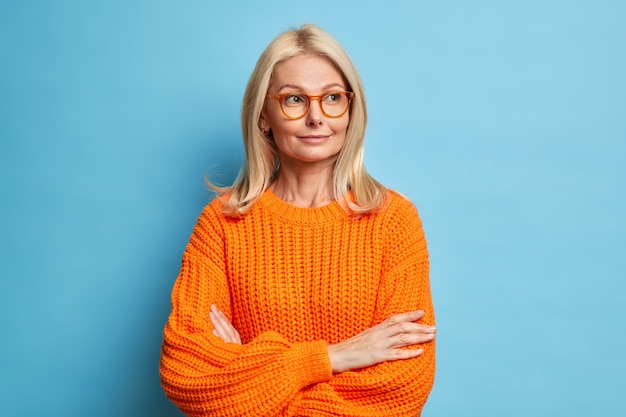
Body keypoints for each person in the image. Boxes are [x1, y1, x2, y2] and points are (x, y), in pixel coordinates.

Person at [160, 24, 436, 416]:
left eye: (333, 98)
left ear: (351, 110)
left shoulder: (393, 221)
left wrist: (249, 373)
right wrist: (333, 357)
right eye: (294, 99)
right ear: (263, 116)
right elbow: (186, 375)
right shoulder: (222, 224)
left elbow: (402, 389)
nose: (316, 117)